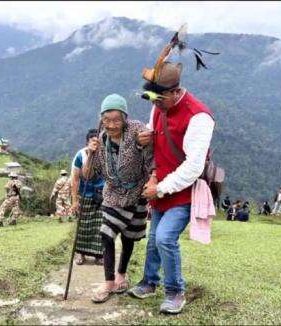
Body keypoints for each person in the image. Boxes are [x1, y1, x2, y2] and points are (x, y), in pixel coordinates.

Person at [128, 61, 215, 315]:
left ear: (176, 92)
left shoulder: (199, 117)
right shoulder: (158, 108)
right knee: (154, 239)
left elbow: (193, 167)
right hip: (160, 185)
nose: (155, 106)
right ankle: (149, 282)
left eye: (159, 99)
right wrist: (145, 138)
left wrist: (161, 187)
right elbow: (155, 141)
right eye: (152, 100)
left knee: (166, 238)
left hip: (183, 190)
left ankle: (176, 291)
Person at [83, 93, 153, 304]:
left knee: (128, 237)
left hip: (136, 193)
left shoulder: (136, 130)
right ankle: (109, 282)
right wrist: (90, 153)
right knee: (106, 234)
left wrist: (143, 143)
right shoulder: (100, 140)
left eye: (116, 120)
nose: (111, 125)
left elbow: (149, 147)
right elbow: (89, 175)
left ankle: (122, 274)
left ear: (125, 118)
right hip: (113, 193)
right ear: (101, 120)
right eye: (107, 120)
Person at [70, 129, 105, 266]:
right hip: (85, 194)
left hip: (101, 195)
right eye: (93, 141)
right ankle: (81, 254)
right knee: (83, 225)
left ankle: (99, 255)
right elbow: (75, 179)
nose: (96, 144)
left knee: (100, 226)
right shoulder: (81, 155)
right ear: (87, 142)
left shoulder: (105, 155)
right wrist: (75, 201)